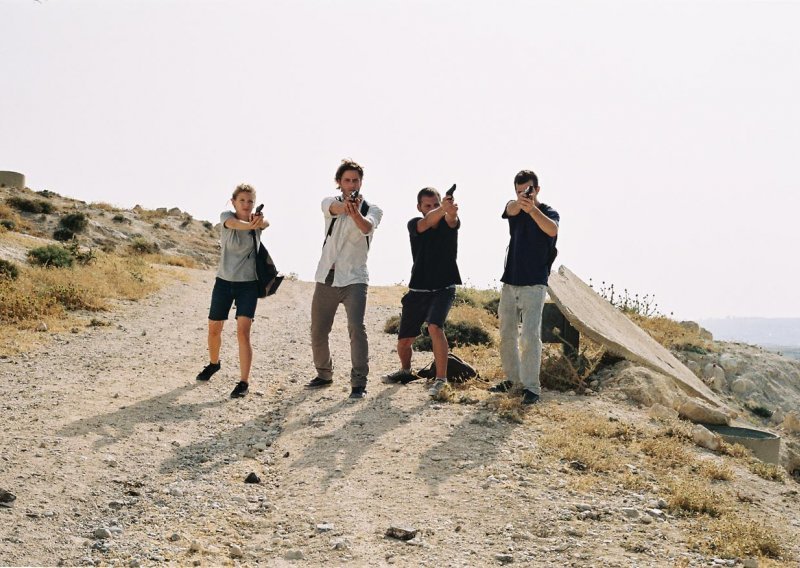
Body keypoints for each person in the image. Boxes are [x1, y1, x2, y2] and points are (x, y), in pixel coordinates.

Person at [306, 159, 383, 399]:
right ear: (339, 183)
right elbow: (334, 209)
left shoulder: (373, 209)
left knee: (356, 328)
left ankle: (358, 382)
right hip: (326, 275)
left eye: (356, 180)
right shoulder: (329, 202)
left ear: (361, 182)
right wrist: (346, 207)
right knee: (319, 330)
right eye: (347, 180)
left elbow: (367, 228)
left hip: (355, 278)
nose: (351, 184)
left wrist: (356, 212)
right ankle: (324, 374)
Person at [489, 170, 559, 405]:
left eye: (528, 190)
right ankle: (513, 380)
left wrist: (532, 209)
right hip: (510, 282)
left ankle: (531, 387)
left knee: (529, 336)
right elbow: (509, 208)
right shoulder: (515, 209)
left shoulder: (548, 212)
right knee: (506, 334)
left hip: (534, 283)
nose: (523, 195)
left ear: (537, 189)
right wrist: (520, 204)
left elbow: (552, 229)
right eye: (519, 191)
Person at [383, 187, 461, 398]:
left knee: (435, 327)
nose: (433, 209)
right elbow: (425, 223)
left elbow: (452, 219)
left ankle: (441, 380)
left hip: (444, 287)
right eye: (428, 206)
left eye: (436, 204)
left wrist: (450, 211)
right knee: (404, 342)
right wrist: (442, 208)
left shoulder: (448, 222)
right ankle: (406, 371)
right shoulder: (414, 224)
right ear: (419, 207)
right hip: (417, 289)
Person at [196, 184, 269, 398]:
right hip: (224, 282)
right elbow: (234, 224)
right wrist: (253, 224)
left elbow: (266, 222)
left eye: (250, 201)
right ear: (233, 202)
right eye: (242, 201)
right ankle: (213, 363)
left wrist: (260, 222)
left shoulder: (258, 222)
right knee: (214, 329)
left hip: (248, 285)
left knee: (243, 333)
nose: (246, 205)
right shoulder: (226, 216)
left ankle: (244, 382)